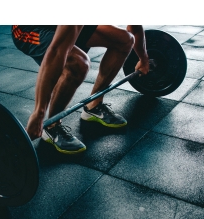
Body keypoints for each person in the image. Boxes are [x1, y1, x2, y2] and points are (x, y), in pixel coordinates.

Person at [12, 25, 149, 154]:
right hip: (30, 28)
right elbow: (57, 51)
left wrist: (143, 58)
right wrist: (39, 113)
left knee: (125, 40)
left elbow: (134, 28)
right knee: (78, 63)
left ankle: (93, 105)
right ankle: (52, 126)